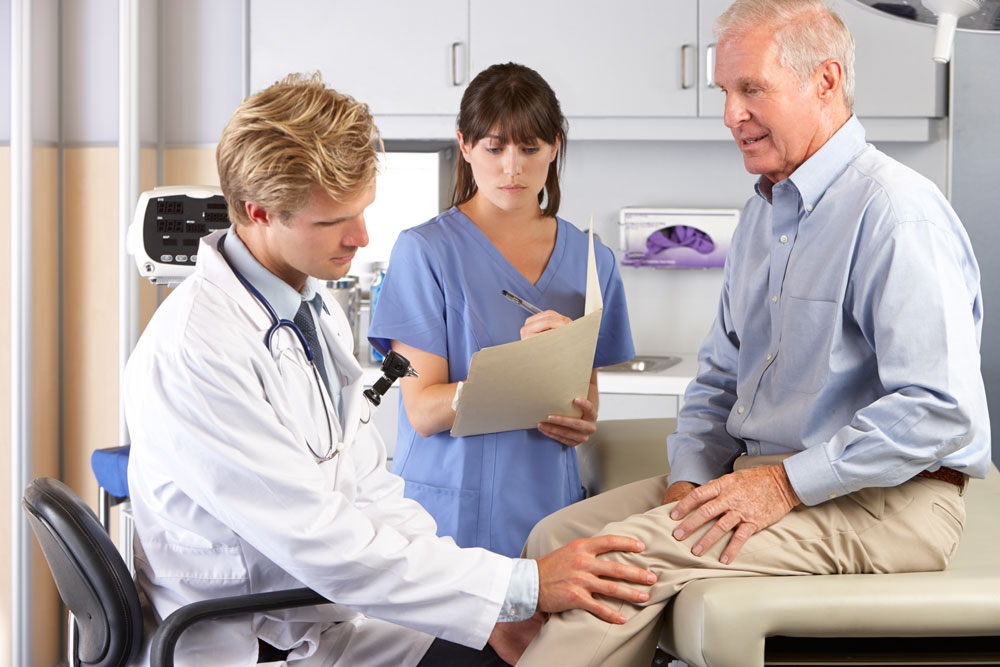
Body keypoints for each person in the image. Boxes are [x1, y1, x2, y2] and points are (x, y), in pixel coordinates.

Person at [512, 1, 991, 665]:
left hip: (887, 501)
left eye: (752, 89)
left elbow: (939, 410)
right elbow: (718, 376)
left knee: (624, 560)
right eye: (726, 92)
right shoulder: (764, 213)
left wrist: (784, 485)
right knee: (552, 538)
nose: (732, 114)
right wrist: (688, 478)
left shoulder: (897, 214)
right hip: (758, 476)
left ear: (825, 82)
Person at [124, 72, 658, 667]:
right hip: (255, 638)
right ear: (258, 212)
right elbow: (320, 540)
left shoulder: (305, 310)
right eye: (333, 222)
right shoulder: (201, 349)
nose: (361, 237)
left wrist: (487, 611)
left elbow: (368, 486)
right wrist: (518, 588)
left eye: (362, 211)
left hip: (323, 614)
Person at [368, 62, 635, 558]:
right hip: (448, 518)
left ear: (555, 146)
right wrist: (521, 373)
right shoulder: (424, 252)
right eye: (494, 147)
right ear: (465, 146)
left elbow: (585, 406)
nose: (512, 168)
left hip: (549, 510)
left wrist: (581, 418)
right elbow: (423, 410)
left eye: (530, 148)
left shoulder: (591, 260)